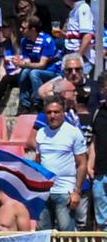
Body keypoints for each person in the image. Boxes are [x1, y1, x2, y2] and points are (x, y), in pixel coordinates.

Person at [30, 98, 88, 230]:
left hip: (65, 191)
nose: (52, 116)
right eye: (49, 112)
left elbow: (82, 164)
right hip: (44, 192)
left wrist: (77, 192)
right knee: (43, 234)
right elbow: (38, 163)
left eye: (56, 112)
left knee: (67, 235)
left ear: (63, 113)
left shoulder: (73, 132)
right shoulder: (41, 133)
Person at [14, 17, 61, 112]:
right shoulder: (25, 41)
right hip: (37, 68)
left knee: (34, 73)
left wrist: (23, 64)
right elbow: (27, 62)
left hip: (52, 71)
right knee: (24, 72)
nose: (20, 30)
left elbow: (42, 65)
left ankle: (38, 102)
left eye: (23, 28)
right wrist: (22, 64)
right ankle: (24, 104)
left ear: (33, 30)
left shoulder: (46, 40)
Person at [63, 0, 96, 71]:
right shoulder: (74, 11)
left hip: (82, 58)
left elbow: (87, 37)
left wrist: (77, 57)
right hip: (71, 53)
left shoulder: (83, 8)